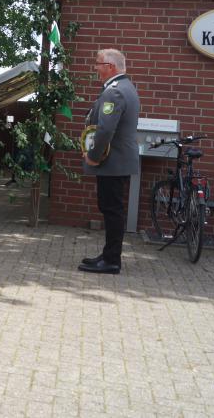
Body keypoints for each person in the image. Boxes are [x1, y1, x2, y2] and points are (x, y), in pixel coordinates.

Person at [79, 48, 140, 275]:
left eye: (98, 63)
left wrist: (93, 156)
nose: (96, 68)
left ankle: (112, 260)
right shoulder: (125, 87)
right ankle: (108, 255)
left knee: (112, 210)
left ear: (110, 67)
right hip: (118, 161)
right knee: (112, 208)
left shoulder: (114, 92)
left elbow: (105, 130)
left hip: (112, 162)